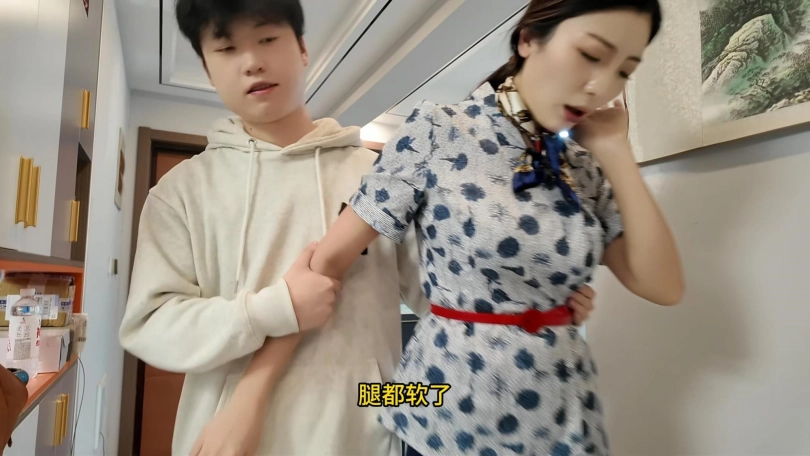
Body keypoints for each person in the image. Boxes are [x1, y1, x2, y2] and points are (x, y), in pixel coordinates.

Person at [118, 0, 601, 455]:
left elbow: (443, 298)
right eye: (226, 49)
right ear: (207, 69)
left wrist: (530, 300)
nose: (252, 63)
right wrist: (272, 310)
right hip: (230, 435)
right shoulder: (181, 191)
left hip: (361, 431)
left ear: (302, 48)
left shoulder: (383, 176)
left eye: (266, 39)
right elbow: (150, 325)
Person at [226, 0, 685, 455]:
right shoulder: (440, 130)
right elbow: (328, 262)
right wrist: (250, 397)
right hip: (450, 416)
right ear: (528, 39)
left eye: (624, 71)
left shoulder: (582, 168)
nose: (600, 87)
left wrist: (616, 150)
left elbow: (662, 286)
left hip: (563, 412)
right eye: (590, 55)